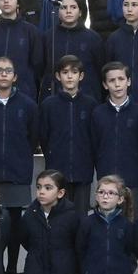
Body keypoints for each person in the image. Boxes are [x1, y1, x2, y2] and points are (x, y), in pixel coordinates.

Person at [0, 56, 40, 274]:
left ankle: (12, 268)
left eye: (8, 70)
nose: (3, 74)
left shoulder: (28, 105)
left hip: (17, 172)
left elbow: (33, 138)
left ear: (15, 76)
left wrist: (21, 157)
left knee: (14, 226)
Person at [40, 55, 97, 202]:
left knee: (81, 216)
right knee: (59, 215)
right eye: (65, 72)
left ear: (81, 76)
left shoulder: (90, 104)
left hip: (83, 168)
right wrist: (53, 155)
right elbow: (44, 137)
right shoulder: (49, 104)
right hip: (56, 169)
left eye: (74, 72)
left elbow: (94, 136)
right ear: (58, 76)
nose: (70, 76)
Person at [92, 62, 138, 200]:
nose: (117, 85)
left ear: (128, 81)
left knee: (132, 217)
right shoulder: (98, 113)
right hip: (106, 178)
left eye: (121, 79)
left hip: (133, 178)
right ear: (105, 85)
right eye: (112, 80)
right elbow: (94, 145)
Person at [0, 0, 45, 103]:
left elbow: (38, 65)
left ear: (18, 3)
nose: (6, 0)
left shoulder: (31, 32)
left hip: (24, 93)